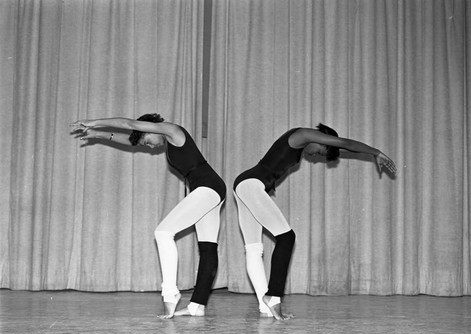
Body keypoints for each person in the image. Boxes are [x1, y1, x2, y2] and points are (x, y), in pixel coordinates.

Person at [233, 124, 396, 321]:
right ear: (321, 140)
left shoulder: (301, 142)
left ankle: (265, 307)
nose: (315, 156)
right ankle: (273, 297)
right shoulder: (302, 134)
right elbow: (344, 142)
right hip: (251, 185)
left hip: (246, 185)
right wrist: (376, 152)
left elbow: (338, 147)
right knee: (286, 237)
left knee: (253, 248)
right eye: (320, 151)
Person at [70, 114, 226, 319]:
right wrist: (97, 134)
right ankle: (197, 306)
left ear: (151, 128)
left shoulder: (174, 131)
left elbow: (129, 125)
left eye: (146, 140)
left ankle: (170, 295)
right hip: (210, 188)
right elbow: (129, 138)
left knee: (163, 232)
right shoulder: (169, 143)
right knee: (207, 247)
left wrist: (95, 121)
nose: (149, 147)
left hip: (208, 187)